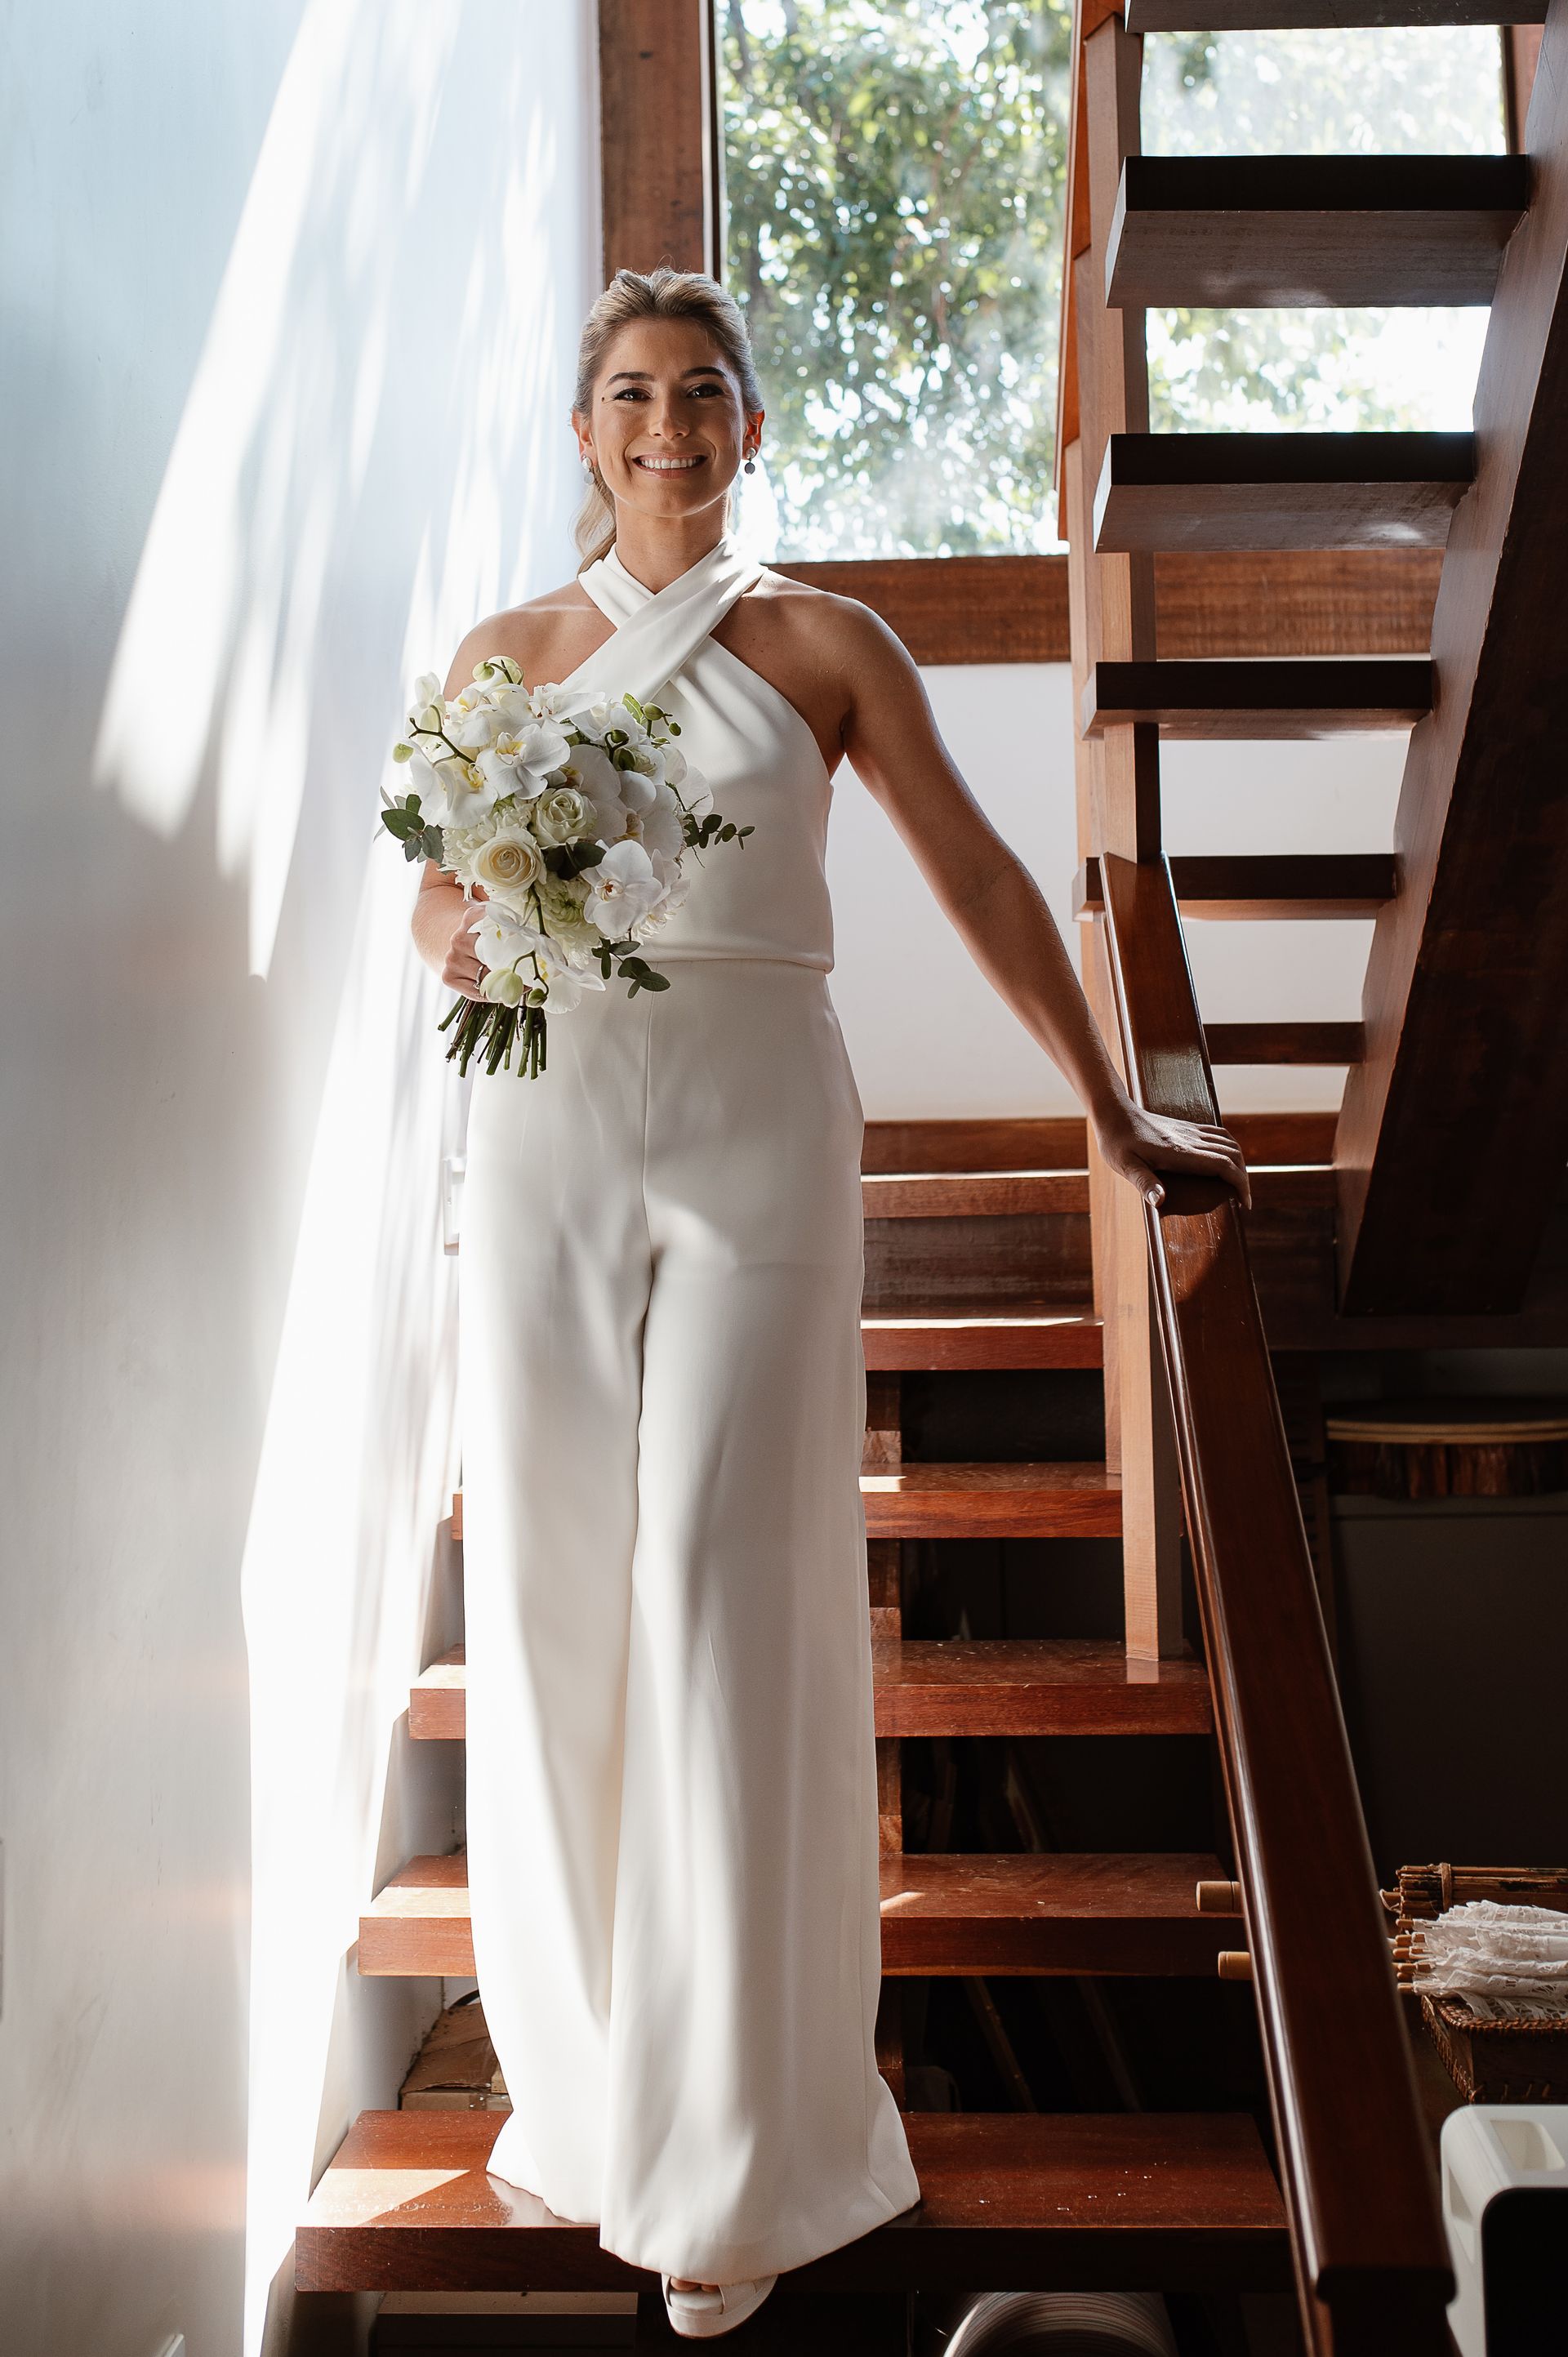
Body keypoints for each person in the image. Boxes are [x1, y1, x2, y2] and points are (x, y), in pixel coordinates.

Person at [411, 267, 1248, 2341]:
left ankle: (737, 2144)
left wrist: (1117, 1115)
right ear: (583, 431)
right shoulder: (504, 655)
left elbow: (968, 871)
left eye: (705, 392)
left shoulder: (827, 644)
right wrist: (467, 931)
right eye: (630, 394)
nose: (668, 424)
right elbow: (431, 882)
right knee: (549, 1601)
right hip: (544, 1130)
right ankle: (593, 2085)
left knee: (717, 1583)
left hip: (760, 1129)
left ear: (753, 428)